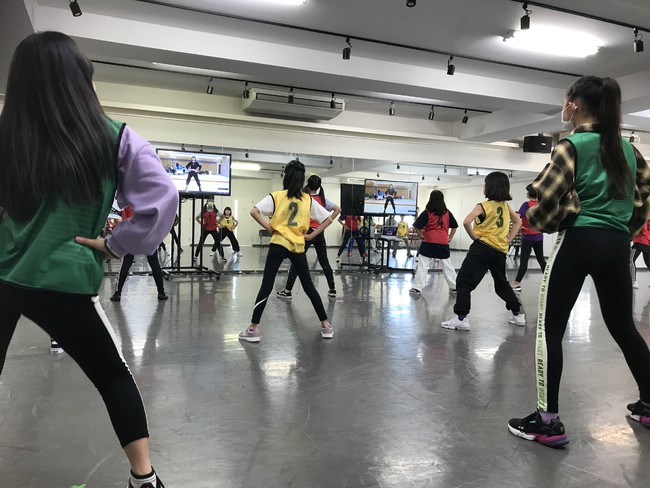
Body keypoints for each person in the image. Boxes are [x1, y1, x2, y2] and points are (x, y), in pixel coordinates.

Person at [0, 32, 177, 488]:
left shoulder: (7, 136)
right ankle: (144, 479)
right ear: (81, 78)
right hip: (64, 279)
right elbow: (162, 199)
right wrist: (117, 244)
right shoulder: (114, 137)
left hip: (3, 272)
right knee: (113, 377)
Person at [508, 76, 650, 447]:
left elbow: (548, 196)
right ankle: (649, 405)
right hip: (616, 244)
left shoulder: (570, 146)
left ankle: (547, 421)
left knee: (550, 328)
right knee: (624, 327)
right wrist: (623, 230)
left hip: (579, 240)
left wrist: (537, 221)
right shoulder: (630, 151)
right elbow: (643, 201)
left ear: (573, 105)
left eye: (564, 100)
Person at [239, 160, 335, 343]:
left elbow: (254, 211)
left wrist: (269, 227)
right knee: (308, 286)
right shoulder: (308, 200)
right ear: (302, 180)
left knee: (267, 285)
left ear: (286, 177)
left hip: (278, 243)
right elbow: (329, 219)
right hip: (297, 245)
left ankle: (253, 329)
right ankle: (325, 326)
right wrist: (311, 235)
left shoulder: (276, 196)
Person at [441, 171, 525, 331]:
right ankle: (517, 313)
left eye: (485, 184)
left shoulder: (483, 206)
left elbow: (466, 222)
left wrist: (474, 236)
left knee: (463, 282)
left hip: (482, 248)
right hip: (499, 251)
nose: (483, 187)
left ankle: (461, 318)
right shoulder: (505, 206)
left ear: (490, 187)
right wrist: (508, 240)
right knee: (501, 284)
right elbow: (518, 221)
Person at [277, 174, 341, 299]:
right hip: (319, 233)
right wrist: (324, 223)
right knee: (324, 261)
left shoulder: (304, 198)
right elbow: (338, 209)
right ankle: (332, 289)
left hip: (306, 233)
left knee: (297, 261)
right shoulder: (322, 199)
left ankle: (287, 290)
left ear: (307, 183)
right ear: (319, 186)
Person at [111, 207, 168, 302]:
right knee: (154, 264)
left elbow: (125, 223)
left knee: (126, 264)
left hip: (132, 237)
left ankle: (117, 293)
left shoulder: (128, 204)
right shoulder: (149, 204)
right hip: (148, 236)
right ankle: (161, 292)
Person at [409, 190, 458, 295]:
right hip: (443, 243)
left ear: (430, 199)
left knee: (423, 266)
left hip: (429, 242)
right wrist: (450, 237)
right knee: (448, 266)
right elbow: (455, 226)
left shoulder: (427, 212)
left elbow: (416, 226)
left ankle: (417, 288)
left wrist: (421, 235)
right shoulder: (447, 213)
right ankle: (454, 287)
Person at [511, 185, 547, 291]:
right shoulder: (541, 205)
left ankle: (516, 283)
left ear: (529, 194)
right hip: (539, 236)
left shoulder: (526, 205)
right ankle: (550, 281)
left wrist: (520, 227)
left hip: (528, 237)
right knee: (541, 260)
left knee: (524, 261)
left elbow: (517, 217)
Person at [630, 219, 650, 289]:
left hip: (640, 241)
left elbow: (638, 230)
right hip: (648, 242)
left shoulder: (643, 218)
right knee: (648, 262)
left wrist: (630, 237)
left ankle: (633, 282)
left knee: (631, 260)